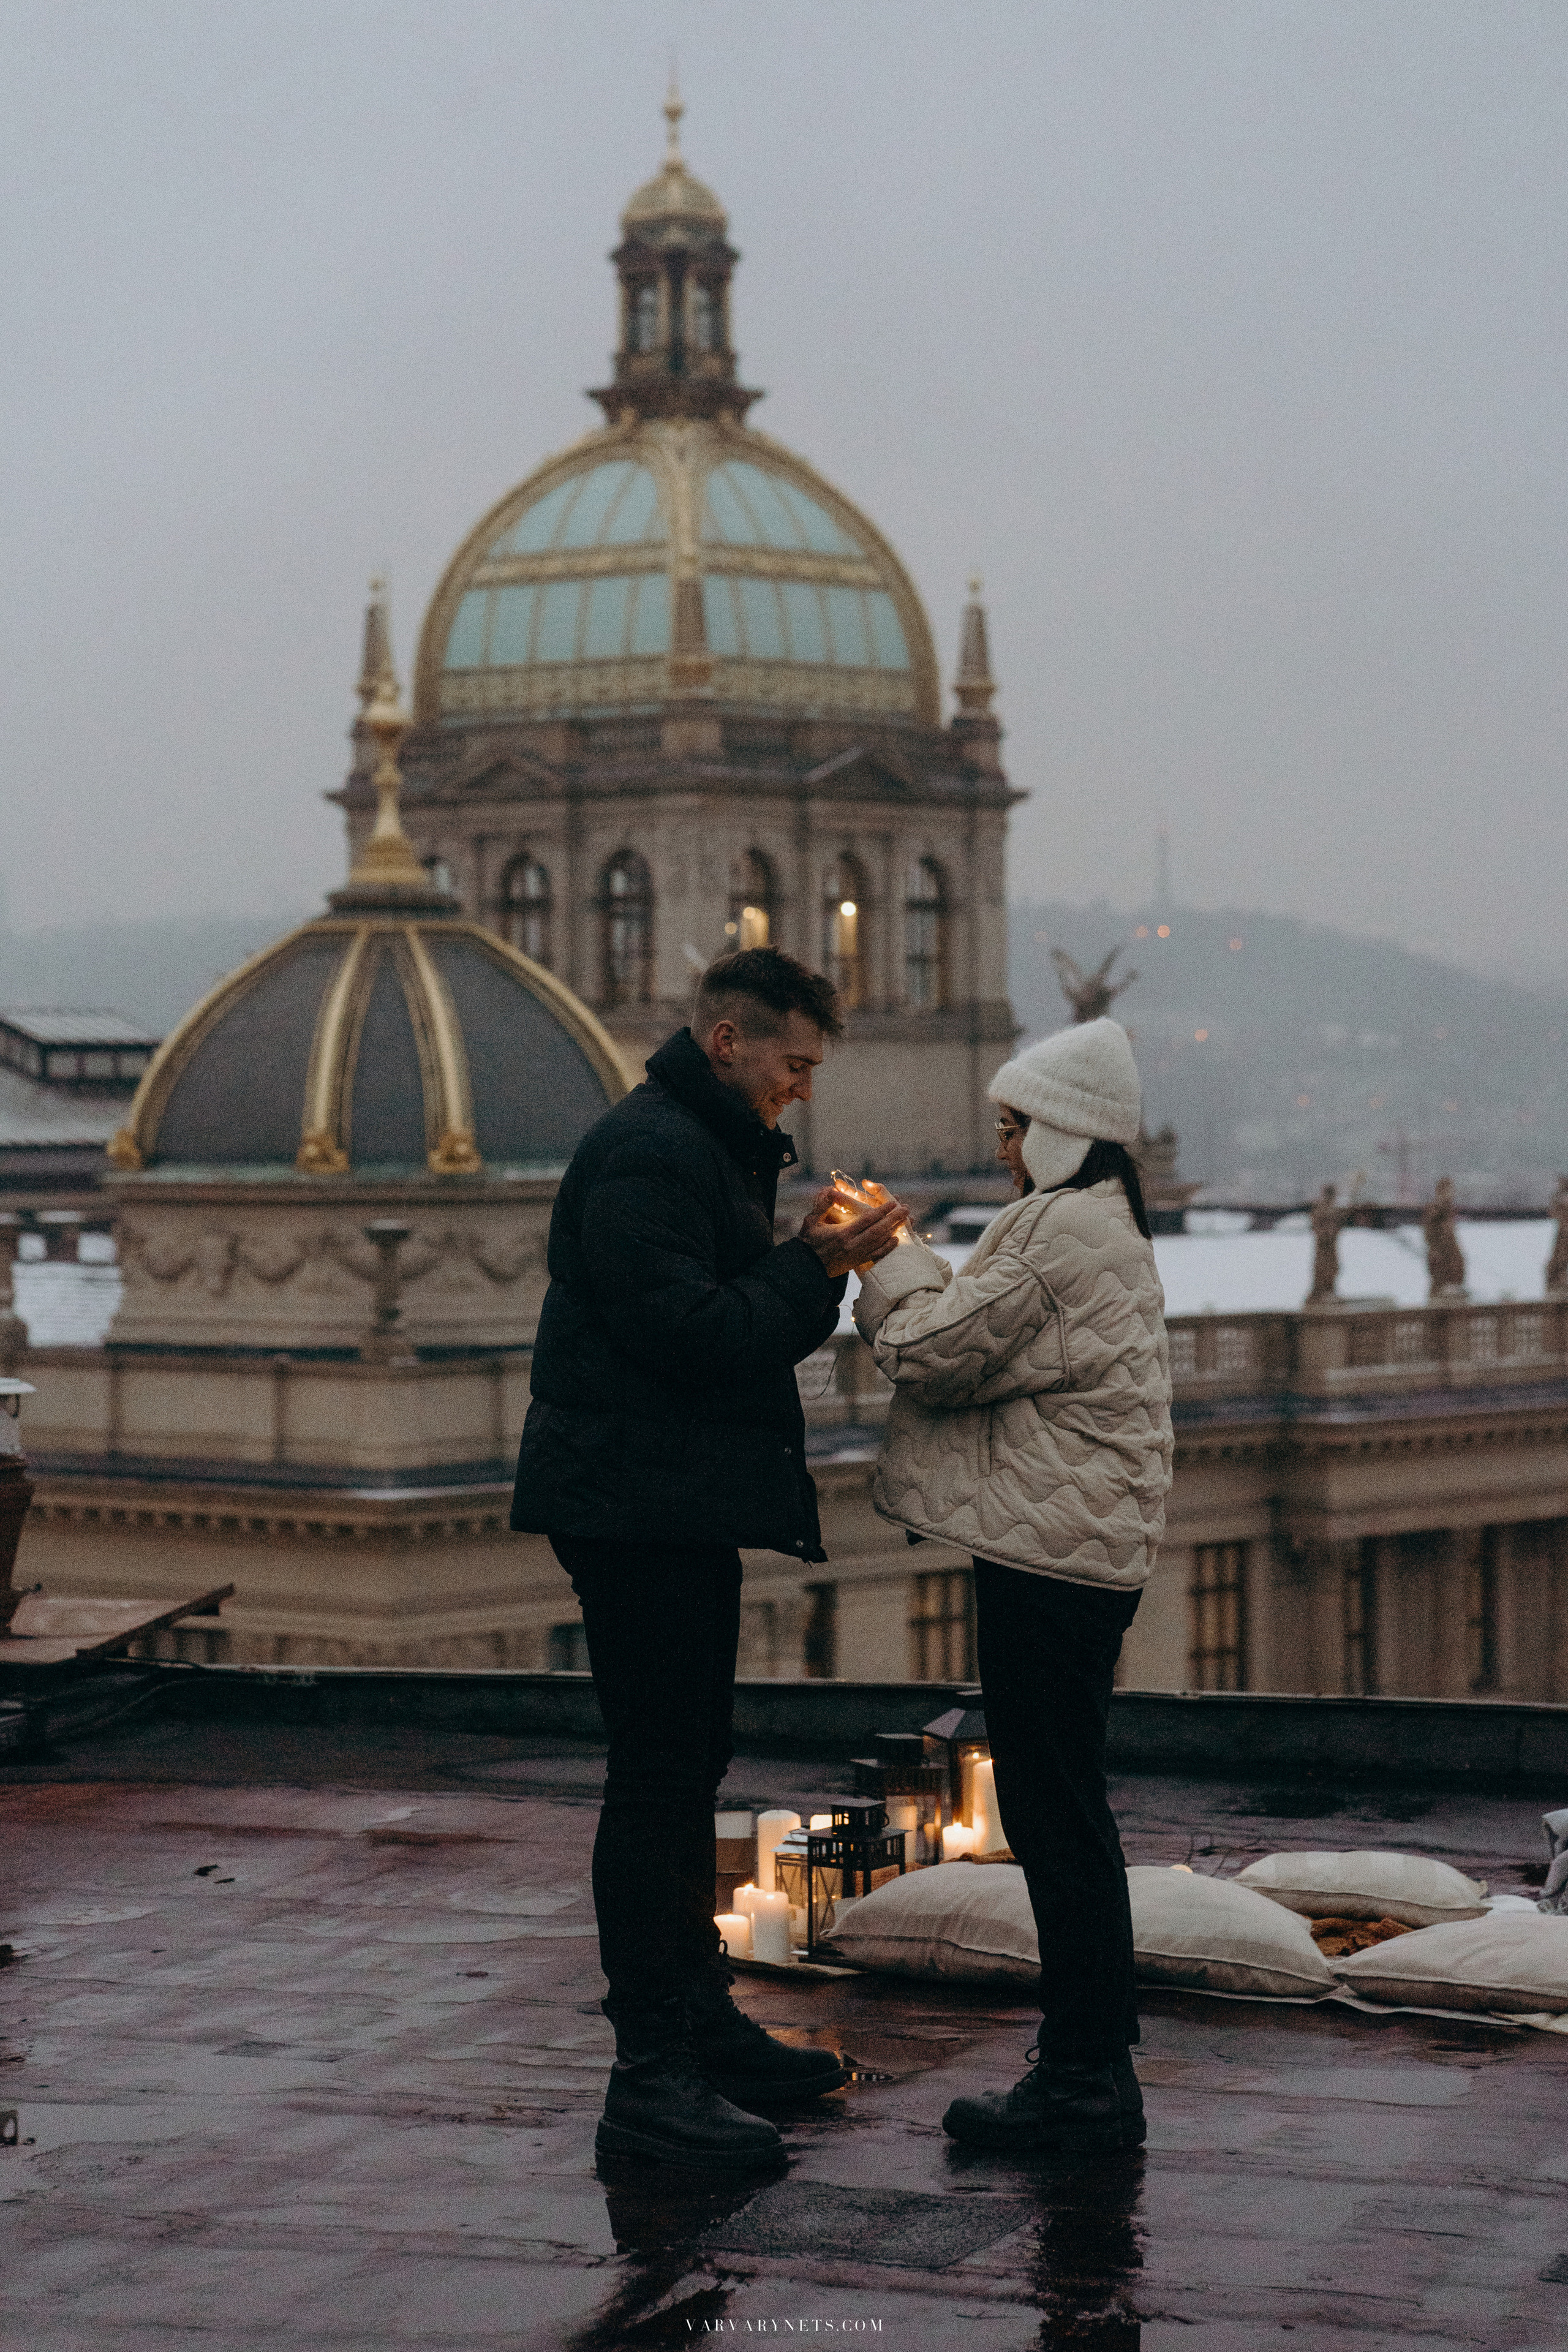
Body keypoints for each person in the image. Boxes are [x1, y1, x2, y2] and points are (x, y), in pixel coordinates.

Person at [511, 946, 906, 2170]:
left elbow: (710, 1309)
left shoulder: (696, 1145)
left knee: (682, 1772)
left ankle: (696, 2029)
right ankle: (652, 2076)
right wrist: (814, 1265)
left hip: (662, 1497)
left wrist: (801, 1256)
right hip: (636, 1504)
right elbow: (689, 1335)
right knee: (657, 1786)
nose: (803, 1088)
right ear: (728, 1043)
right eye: (794, 1063)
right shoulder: (652, 1152)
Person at [852, 1016, 1173, 2157]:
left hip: (1051, 1561)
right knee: (1063, 1804)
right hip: (1079, 1552)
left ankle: (1084, 2077)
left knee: (1054, 1812)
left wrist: (884, 1254)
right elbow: (985, 1336)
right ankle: (1091, 2065)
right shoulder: (1101, 1224)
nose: (1001, 1147)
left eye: (1013, 1126)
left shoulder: (1057, 1229)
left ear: (1061, 1131)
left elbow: (933, 1353)